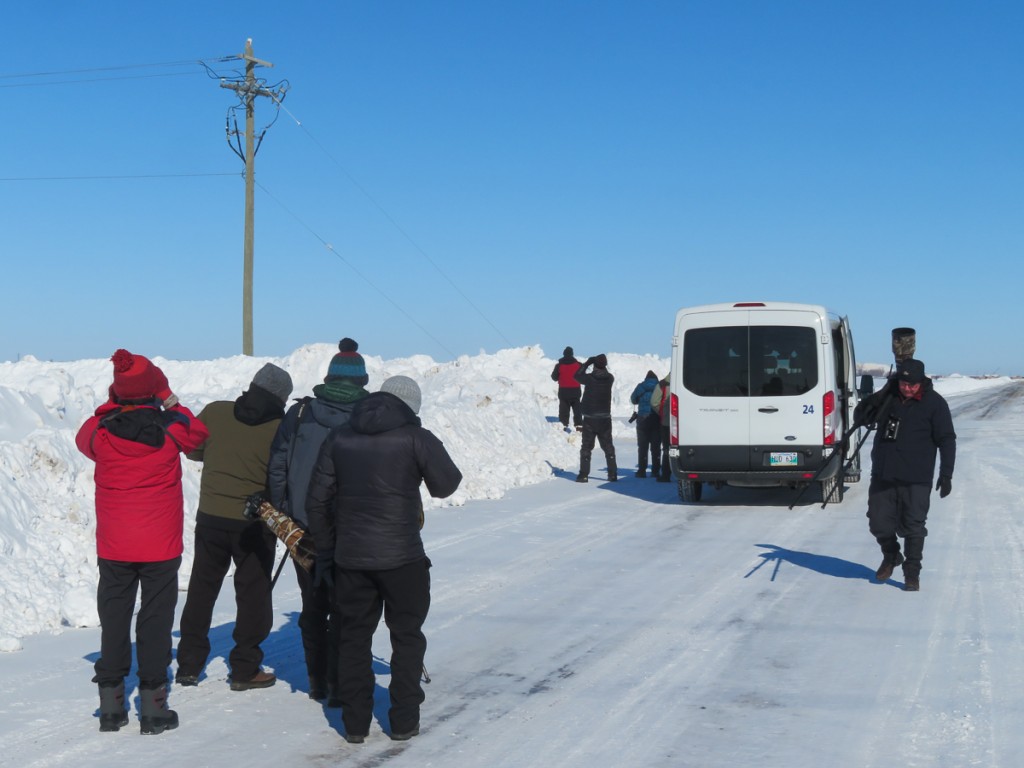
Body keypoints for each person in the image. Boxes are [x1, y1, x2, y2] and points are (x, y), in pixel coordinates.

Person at [306, 375, 463, 743]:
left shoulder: (340, 437)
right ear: (410, 408)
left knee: (353, 639)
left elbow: (316, 501)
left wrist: (329, 551)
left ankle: (356, 725)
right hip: (403, 559)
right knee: (406, 637)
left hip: (351, 561)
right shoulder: (414, 437)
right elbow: (446, 484)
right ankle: (404, 720)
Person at [75, 349, 209, 735]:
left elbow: (83, 441)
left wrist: (113, 403)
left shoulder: (100, 431)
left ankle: (111, 709)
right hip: (160, 546)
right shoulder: (172, 429)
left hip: (115, 546)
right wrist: (168, 397)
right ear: (152, 388)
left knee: (114, 617)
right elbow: (199, 434)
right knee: (155, 620)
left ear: (118, 391)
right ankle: (153, 709)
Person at [175, 363, 293, 692]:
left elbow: (194, 450)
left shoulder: (215, 412)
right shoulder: (282, 427)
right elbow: (284, 474)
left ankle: (188, 664)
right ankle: (244, 668)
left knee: (201, 590)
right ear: (282, 398)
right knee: (253, 595)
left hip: (211, 517)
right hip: (254, 523)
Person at [266, 338, 370, 704]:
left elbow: (278, 462)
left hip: (303, 526)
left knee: (313, 604)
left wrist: (284, 510)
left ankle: (317, 681)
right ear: (362, 381)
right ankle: (341, 683)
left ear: (329, 376)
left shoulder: (299, 414)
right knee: (345, 605)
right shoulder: (367, 416)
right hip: (349, 529)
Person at [853, 358, 956, 592]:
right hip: (884, 474)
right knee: (878, 521)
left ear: (921, 382)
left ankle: (912, 572)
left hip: (916, 477)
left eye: (912, 385)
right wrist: (881, 394)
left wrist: (946, 473)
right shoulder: (889, 398)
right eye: (903, 384)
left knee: (914, 526)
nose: (907, 388)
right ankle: (891, 555)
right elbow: (860, 418)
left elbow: (947, 440)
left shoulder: (935, 404)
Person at [574, 354, 617, 483]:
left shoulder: (589, 379)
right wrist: (598, 363)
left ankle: (583, 475)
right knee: (608, 446)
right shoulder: (610, 378)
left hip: (589, 418)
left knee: (586, 446)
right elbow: (604, 372)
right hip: (604, 417)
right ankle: (612, 474)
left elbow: (576, 376)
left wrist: (587, 363)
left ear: (595, 365)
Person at [629, 370, 660, 478]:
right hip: (656, 418)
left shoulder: (641, 386)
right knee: (656, 446)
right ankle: (655, 470)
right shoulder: (659, 386)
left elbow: (633, 400)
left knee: (643, 446)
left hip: (642, 418)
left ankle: (641, 470)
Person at [550, 346, 583, 431]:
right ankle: (579, 426)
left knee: (564, 410)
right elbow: (583, 376)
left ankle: (563, 426)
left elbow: (554, 377)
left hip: (563, 391)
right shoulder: (578, 365)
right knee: (577, 410)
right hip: (575, 391)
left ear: (563, 354)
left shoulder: (559, 365)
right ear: (572, 354)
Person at [650, 373, 672, 482]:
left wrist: (663, 413)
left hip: (667, 422)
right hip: (685, 423)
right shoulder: (688, 380)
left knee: (667, 448)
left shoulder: (662, 384)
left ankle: (666, 474)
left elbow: (654, 402)